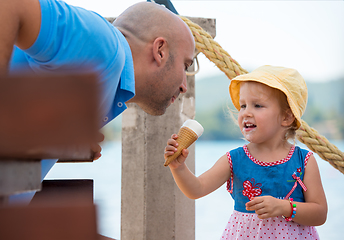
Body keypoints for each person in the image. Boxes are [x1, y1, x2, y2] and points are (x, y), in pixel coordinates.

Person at [0, 0, 195, 204]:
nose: (184, 86)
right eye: (185, 64)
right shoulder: (105, 47)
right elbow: (11, 5)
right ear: (160, 50)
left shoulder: (103, 78)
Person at [164, 65, 327, 239]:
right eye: (243, 106)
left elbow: (320, 213)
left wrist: (285, 207)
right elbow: (197, 189)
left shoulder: (304, 160)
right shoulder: (234, 159)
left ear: (286, 117)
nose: (246, 113)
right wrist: (178, 167)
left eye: (257, 105)